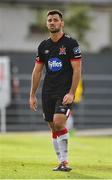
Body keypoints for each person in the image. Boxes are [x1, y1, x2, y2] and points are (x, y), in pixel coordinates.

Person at [29, 9, 82, 172]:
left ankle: (65, 162)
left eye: (55, 20)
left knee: (59, 122)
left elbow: (77, 70)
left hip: (64, 92)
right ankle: (61, 162)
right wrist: (32, 95)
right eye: (49, 20)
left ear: (62, 23)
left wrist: (72, 92)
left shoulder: (71, 44)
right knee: (53, 127)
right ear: (47, 24)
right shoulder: (43, 46)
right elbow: (37, 71)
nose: (52, 22)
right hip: (48, 92)